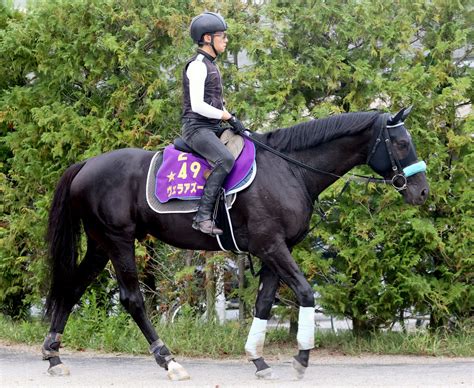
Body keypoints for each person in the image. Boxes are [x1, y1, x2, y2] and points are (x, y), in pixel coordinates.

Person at [182, 12, 246, 236]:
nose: (226, 40)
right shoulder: (198, 65)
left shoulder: (211, 64)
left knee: (246, 139)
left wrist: (233, 119)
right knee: (225, 158)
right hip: (196, 128)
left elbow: (214, 101)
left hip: (213, 126)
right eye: (222, 36)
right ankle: (202, 217)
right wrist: (226, 117)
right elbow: (198, 105)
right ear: (208, 38)